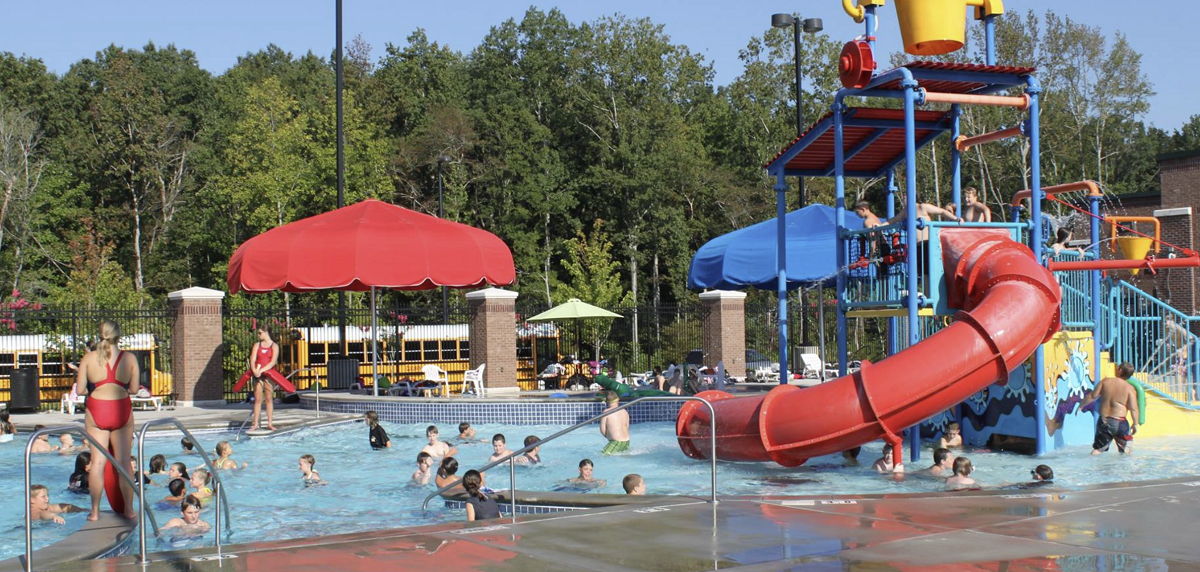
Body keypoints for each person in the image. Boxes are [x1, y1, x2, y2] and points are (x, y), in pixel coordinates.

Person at [75, 320, 139, 521]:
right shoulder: (129, 358)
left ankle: (94, 512)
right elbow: (135, 390)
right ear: (119, 336)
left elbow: (80, 390)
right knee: (124, 462)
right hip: (120, 408)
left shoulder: (89, 358)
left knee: (97, 463)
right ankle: (128, 509)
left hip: (97, 409)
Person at [1080, 362, 1140, 455]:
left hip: (1104, 421)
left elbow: (1092, 396)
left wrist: (1081, 406)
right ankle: (1126, 470)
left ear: (1120, 370)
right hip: (1119, 422)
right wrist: (1135, 424)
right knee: (1126, 452)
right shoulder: (1129, 389)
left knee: (1098, 450)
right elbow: (1134, 408)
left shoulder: (1105, 381)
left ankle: (1091, 468)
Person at [247, 326, 281, 431]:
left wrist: (261, 370)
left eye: (260, 333)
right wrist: (255, 371)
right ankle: (255, 424)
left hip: (269, 375)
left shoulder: (274, 346)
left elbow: (272, 362)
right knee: (258, 400)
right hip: (258, 375)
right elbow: (252, 359)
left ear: (266, 333)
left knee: (269, 399)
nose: (258, 335)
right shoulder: (257, 345)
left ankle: (270, 423)